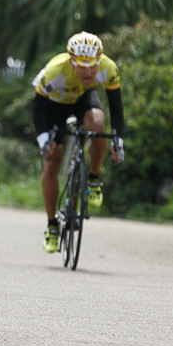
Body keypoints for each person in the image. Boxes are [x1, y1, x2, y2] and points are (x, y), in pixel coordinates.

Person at [32, 31, 125, 253]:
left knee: (98, 124)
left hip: (83, 99)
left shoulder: (108, 68)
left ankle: (93, 179)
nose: (88, 70)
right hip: (54, 105)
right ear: (71, 61)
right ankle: (52, 224)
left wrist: (118, 141)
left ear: (99, 61)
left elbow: (116, 106)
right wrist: (43, 140)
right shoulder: (55, 69)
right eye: (81, 65)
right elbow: (37, 108)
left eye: (92, 65)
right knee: (52, 161)